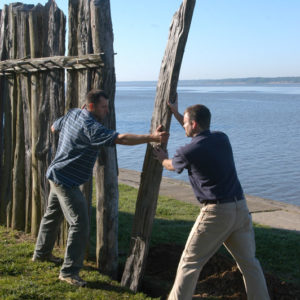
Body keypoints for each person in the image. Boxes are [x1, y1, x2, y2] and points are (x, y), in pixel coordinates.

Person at [32, 89, 169, 287]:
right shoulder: (90, 127)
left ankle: (41, 254)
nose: (107, 110)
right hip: (66, 181)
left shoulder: (74, 114)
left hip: (55, 174)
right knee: (80, 223)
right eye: (103, 107)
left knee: (51, 216)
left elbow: (54, 127)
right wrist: (152, 138)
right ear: (91, 106)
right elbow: (121, 139)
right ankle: (69, 272)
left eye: (107, 106)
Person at [153, 96, 270, 300]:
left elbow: (172, 165)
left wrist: (162, 158)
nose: (185, 126)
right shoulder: (221, 138)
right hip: (240, 209)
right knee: (249, 263)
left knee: (189, 263)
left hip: (216, 213)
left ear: (194, 124)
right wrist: (177, 113)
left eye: (187, 122)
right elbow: (195, 132)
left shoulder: (187, 151)